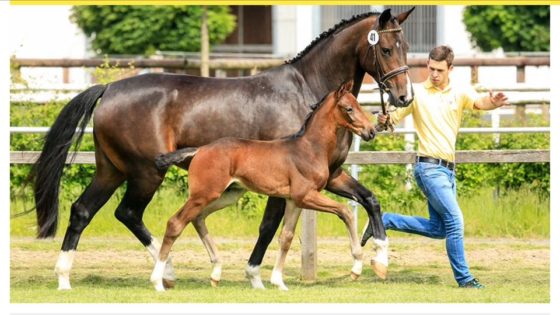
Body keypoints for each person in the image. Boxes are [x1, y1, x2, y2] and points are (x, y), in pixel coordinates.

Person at [364, 45, 508, 289]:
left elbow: (480, 102)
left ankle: (386, 220)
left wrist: (493, 103)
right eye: (431, 69)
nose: (434, 74)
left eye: (439, 70)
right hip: (428, 169)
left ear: (450, 69)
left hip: (449, 172)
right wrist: (383, 119)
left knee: (440, 228)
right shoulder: (417, 93)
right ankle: (465, 280)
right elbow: (392, 120)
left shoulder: (460, 90)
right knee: (455, 221)